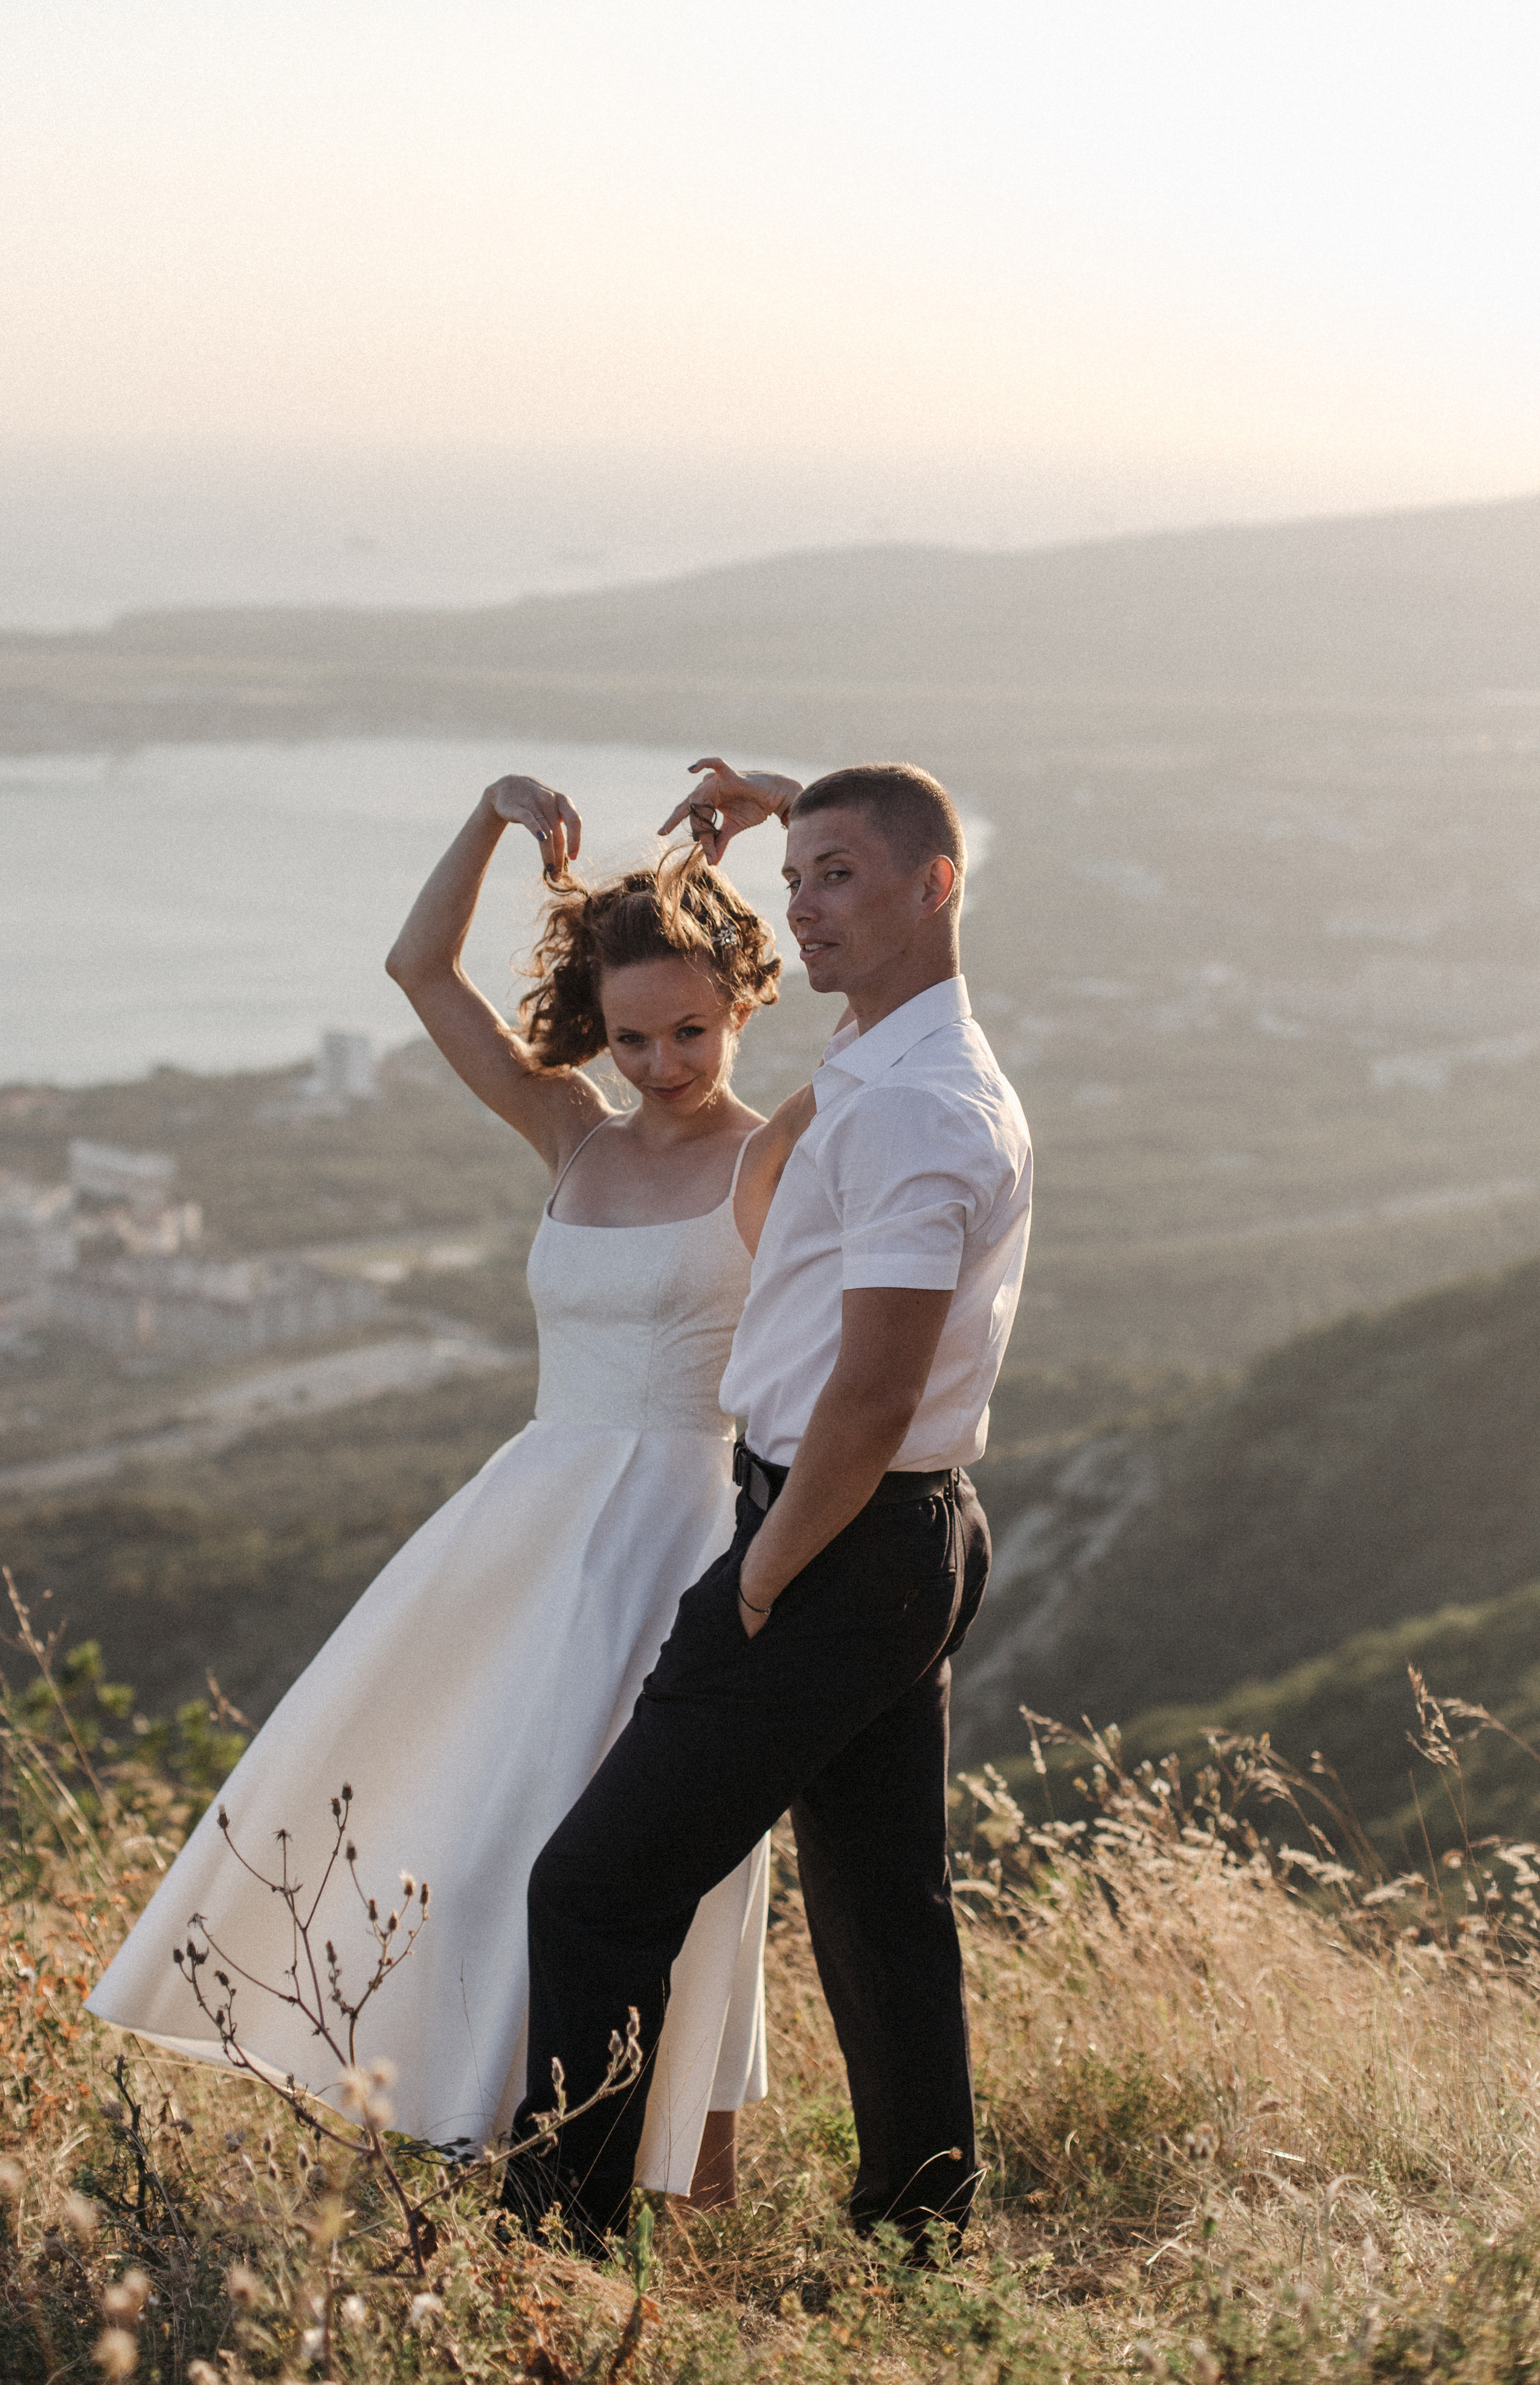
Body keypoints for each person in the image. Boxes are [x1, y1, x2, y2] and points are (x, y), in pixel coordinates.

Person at [88, 772, 814, 2207]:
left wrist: (801, 813)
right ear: (591, 1030)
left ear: (739, 1002)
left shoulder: (779, 1146)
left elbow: (896, 1017)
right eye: (631, 1037)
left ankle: (673, 2182)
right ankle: (477, 2133)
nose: (665, 1063)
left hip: (682, 1535)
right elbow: (419, 968)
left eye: (692, 1029)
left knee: (640, 1863)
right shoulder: (574, 1135)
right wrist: (488, 822)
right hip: (529, 1529)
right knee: (475, 1830)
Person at [504, 756, 1034, 2255]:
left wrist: (753, 1583)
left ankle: (556, 2252)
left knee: (594, 1888)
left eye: (836, 877)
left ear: (936, 887)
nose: (800, 909)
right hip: (885, 1532)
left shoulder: (921, 1108)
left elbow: (869, 1397)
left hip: (834, 1534)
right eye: (793, 878)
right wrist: (799, 807)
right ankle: (919, 2230)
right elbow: (892, 847)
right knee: (880, 1911)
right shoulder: (878, 1056)